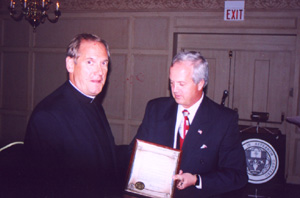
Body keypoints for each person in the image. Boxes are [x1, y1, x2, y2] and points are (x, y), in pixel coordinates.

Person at [129, 51, 248, 197]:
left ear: (201, 84)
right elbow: (135, 153)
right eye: (171, 82)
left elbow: (237, 175)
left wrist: (197, 180)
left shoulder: (223, 120)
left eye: (181, 84)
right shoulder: (156, 109)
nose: (174, 89)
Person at [24, 33, 120, 198]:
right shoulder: (48, 116)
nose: (99, 72)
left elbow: (104, 159)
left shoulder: (95, 106)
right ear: (70, 64)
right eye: (90, 62)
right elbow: (44, 188)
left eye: (104, 63)